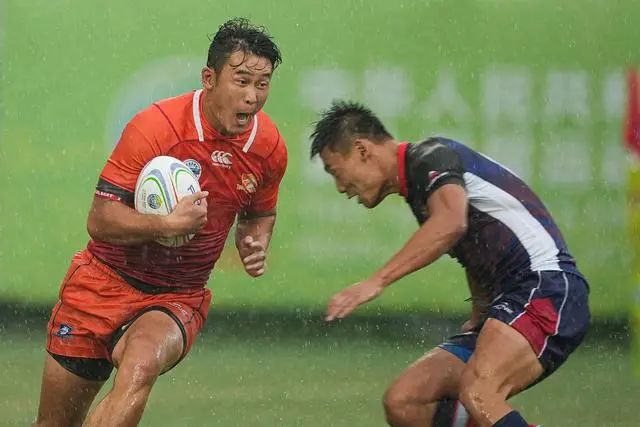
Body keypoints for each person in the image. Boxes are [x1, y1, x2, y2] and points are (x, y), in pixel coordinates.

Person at [33, 18, 287, 427]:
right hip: (102, 281)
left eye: (263, 84)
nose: (252, 96)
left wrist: (255, 241)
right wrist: (167, 225)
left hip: (176, 297)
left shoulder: (269, 147)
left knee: (141, 366)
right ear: (209, 78)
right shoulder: (156, 127)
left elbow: (260, 213)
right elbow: (100, 220)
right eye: (241, 81)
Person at [309, 101, 590, 427]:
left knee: (479, 392)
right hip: (512, 301)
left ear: (362, 150)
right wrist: (481, 310)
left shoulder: (430, 157)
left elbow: (452, 223)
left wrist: (377, 281)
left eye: (335, 171)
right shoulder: (420, 187)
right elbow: (476, 245)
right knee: (404, 401)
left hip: (546, 288)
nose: (340, 187)